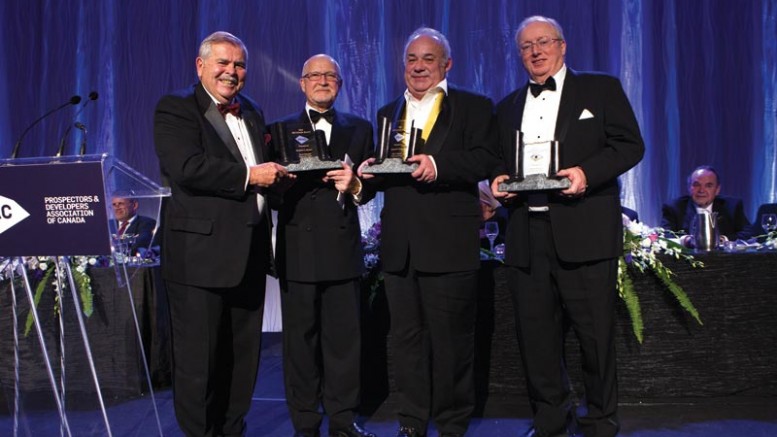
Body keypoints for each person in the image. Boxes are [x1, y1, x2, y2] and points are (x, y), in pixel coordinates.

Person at [490, 16, 645, 437]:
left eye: (543, 42)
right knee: (536, 340)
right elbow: (499, 163)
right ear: (519, 54)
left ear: (562, 45)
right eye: (526, 46)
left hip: (585, 233)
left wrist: (587, 173)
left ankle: (599, 421)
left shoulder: (601, 88)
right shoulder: (505, 107)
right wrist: (498, 180)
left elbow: (631, 145)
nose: (535, 51)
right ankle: (550, 421)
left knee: (595, 339)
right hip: (526, 235)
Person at [358, 27, 498, 437]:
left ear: (446, 64)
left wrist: (438, 166)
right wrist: (362, 179)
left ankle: (453, 424)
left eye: (428, 59)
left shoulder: (474, 107)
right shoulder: (387, 113)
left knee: (453, 342)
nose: (419, 66)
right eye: (412, 60)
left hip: (449, 244)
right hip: (400, 248)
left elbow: (486, 159)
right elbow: (386, 174)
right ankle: (412, 421)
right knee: (406, 341)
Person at [153, 31, 292, 437]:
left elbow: (263, 169)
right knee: (199, 363)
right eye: (223, 63)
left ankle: (233, 429)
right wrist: (252, 176)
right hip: (198, 259)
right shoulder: (176, 108)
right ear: (201, 66)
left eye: (239, 64)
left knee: (242, 357)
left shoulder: (252, 110)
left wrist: (281, 180)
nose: (232, 72)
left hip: (247, 253)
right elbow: (187, 168)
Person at [272, 54, 375, 437]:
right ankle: (305, 423)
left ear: (340, 84)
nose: (323, 80)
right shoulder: (277, 129)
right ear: (302, 83)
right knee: (299, 343)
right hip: (297, 248)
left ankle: (344, 421)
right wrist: (279, 186)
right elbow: (270, 193)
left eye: (331, 75)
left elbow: (371, 187)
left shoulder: (361, 128)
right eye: (315, 75)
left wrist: (357, 186)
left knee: (344, 342)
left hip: (342, 249)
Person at [661, 165, 751, 245]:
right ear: (689, 188)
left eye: (708, 186)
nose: (701, 190)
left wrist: (723, 239)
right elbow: (665, 235)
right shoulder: (674, 208)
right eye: (696, 185)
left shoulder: (731, 206)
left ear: (717, 190)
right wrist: (687, 240)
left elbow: (749, 233)